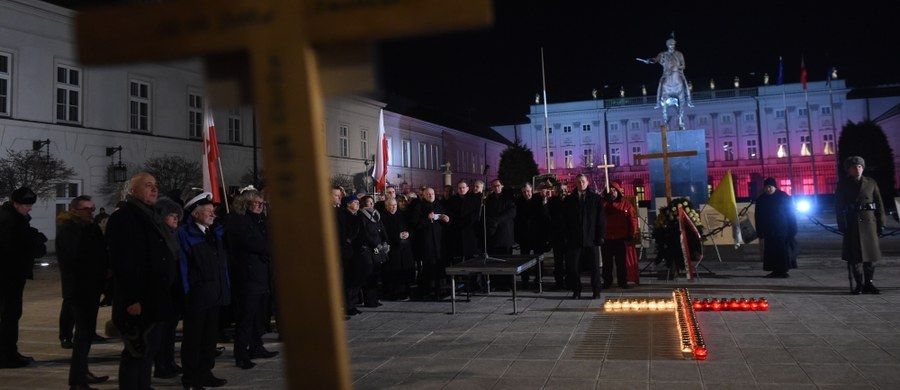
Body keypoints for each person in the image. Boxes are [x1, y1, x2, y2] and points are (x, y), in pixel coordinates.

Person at [105, 173, 177, 389]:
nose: (154, 189)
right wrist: (131, 299)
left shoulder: (151, 215)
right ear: (133, 191)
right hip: (138, 300)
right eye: (148, 185)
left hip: (155, 297)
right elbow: (123, 262)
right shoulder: (125, 217)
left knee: (148, 350)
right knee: (136, 350)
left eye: (155, 185)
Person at [175, 192, 231, 389]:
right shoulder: (184, 234)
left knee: (209, 338)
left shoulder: (214, 233)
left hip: (215, 293)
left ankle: (205, 372)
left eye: (212, 211)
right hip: (197, 295)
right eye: (207, 211)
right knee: (193, 339)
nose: (212, 215)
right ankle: (191, 378)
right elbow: (182, 267)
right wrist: (187, 293)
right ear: (195, 213)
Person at [55, 195, 111, 389]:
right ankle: (77, 379)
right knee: (83, 334)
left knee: (86, 334)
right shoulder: (69, 230)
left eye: (92, 208)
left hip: (91, 287)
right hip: (79, 289)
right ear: (75, 210)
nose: (91, 212)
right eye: (86, 209)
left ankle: (82, 372)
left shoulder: (90, 228)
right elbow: (76, 260)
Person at [225, 188, 278, 371]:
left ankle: (256, 346)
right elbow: (253, 244)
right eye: (255, 203)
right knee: (246, 317)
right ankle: (241, 354)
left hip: (261, 275)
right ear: (245, 203)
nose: (259, 206)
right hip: (248, 276)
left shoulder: (260, 220)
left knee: (258, 316)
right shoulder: (237, 221)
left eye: (261, 203)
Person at [0, 187, 47, 369]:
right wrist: (35, 246)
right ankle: (7, 355)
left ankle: (9, 352)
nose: (30, 208)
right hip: (8, 276)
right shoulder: (9, 221)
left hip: (11, 275)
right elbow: (13, 249)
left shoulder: (13, 218)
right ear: (16, 203)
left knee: (11, 315)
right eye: (27, 205)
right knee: (10, 315)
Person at [835, 156, 885, 295]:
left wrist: (882, 222)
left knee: (870, 256)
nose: (857, 169)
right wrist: (842, 224)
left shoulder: (871, 182)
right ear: (849, 170)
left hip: (869, 223)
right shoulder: (843, 184)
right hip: (853, 223)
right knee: (855, 257)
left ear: (863, 168)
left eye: (859, 167)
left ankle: (869, 283)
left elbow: (879, 203)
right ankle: (859, 284)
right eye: (853, 167)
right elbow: (839, 206)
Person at [151, 196, 184, 380]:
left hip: (173, 289)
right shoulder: (160, 235)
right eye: (172, 216)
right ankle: (161, 364)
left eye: (177, 217)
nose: (175, 220)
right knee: (161, 332)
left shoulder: (173, 235)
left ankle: (169, 361)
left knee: (170, 330)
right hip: (163, 290)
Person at [563, 174, 606, 299]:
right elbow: (565, 221)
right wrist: (566, 237)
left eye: (583, 181)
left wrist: (600, 236)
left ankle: (596, 291)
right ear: (575, 183)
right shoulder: (569, 200)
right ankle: (576, 291)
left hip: (591, 239)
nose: (581, 184)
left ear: (587, 182)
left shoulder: (595, 199)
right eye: (578, 182)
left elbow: (601, 220)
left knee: (594, 268)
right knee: (574, 267)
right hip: (574, 240)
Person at [754, 177, 798, 278]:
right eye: (766, 187)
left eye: (770, 187)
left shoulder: (783, 197)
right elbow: (758, 216)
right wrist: (759, 230)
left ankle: (783, 270)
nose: (768, 189)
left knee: (782, 251)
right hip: (769, 230)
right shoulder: (762, 199)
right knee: (771, 251)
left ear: (774, 187)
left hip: (782, 229)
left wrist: (793, 229)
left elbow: (791, 214)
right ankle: (775, 270)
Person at [602, 181, 639, 288]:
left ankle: (622, 281)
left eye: (614, 190)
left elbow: (632, 219)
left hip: (620, 237)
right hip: (607, 237)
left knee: (621, 263)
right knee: (607, 263)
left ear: (618, 191)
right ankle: (607, 282)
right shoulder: (603, 203)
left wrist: (632, 233)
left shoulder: (625, 204)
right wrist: (606, 203)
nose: (612, 192)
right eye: (610, 190)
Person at [380, 198, 415, 301]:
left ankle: (406, 292)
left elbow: (411, 226)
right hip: (393, 248)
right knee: (393, 272)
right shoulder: (383, 217)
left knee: (406, 271)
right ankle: (394, 293)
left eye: (395, 205)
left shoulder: (403, 215)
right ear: (386, 206)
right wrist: (397, 235)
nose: (394, 207)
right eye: (391, 205)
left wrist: (408, 233)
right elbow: (383, 232)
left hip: (405, 248)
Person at [357, 195, 389, 307]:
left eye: (372, 202)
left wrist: (385, 241)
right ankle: (369, 300)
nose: (371, 204)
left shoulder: (376, 214)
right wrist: (375, 244)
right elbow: (364, 232)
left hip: (379, 248)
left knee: (375, 275)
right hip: (369, 249)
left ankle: (375, 299)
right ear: (363, 203)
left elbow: (382, 228)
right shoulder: (361, 215)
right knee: (368, 275)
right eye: (368, 202)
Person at [643, 37, 694, 108]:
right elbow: (655, 59)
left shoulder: (679, 54)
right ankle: (658, 102)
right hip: (666, 73)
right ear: (668, 45)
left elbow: (683, 66)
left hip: (677, 72)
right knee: (660, 83)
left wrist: (677, 67)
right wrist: (649, 60)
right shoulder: (663, 54)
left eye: (673, 44)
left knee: (685, 82)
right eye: (671, 45)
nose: (672, 46)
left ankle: (689, 100)